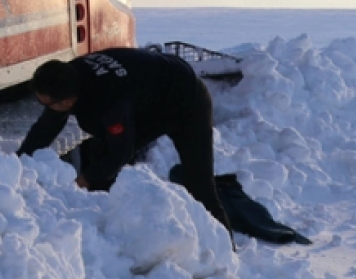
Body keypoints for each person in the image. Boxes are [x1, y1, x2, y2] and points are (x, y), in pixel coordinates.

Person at [17, 48, 231, 228]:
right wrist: (19, 163)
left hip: (187, 101)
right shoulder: (67, 77)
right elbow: (47, 126)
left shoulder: (110, 101)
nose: (43, 107)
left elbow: (120, 153)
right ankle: (105, 225)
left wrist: (83, 181)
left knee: (200, 185)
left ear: (67, 102)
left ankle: (224, 249)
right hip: (148, 93)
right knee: (101, 156)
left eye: (45, 103)